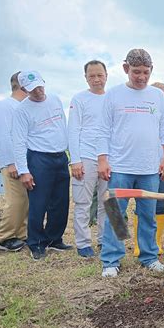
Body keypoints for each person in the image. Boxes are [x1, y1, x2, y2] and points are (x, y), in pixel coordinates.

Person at [97, 48, 164, 277]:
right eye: (136, 71)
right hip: (119, 166)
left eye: (146, 72)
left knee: (148, 215)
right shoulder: (113, 94)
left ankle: (149, 256)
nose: (141, 77)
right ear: (125, 69)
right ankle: (111, 259)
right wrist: (102, 160)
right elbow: (102, 130)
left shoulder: (157, 96)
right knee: (116, 215)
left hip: (149, 168)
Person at [13, 71, 71, 260]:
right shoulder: (22, 110)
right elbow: (18, 141)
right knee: (39, 203)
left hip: (60, 157)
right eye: (32, 89)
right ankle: (36, 243)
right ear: (23, 90)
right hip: (39, 159)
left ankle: (54, 238)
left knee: (61, 201)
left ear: (44, 82)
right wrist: (24, 171)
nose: (37, 91)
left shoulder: (54, 99)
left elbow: (62, 125)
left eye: (39, 86)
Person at [68, 60, 108, 258]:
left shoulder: (112, 98)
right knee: (83, 202)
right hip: (85, 156)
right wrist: (75, 160)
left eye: (99, 75)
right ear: (86, 78)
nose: (96, 79)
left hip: (108, 158)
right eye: (91, 76)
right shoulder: (79, 99)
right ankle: (83, 243)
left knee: (107, 202)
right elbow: (73, 130)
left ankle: (104, 240)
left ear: (106, 75)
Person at [132, 82, 164, 256]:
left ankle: (155, 243)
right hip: (143, 166)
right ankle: (137, 244)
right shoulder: (139, 116)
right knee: (141, 204)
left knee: (159, 204)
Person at [0, 72, 28, 252]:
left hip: (23, 161)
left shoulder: (21, 107)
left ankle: (20, 234)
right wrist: (10, 162)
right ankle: (4, 237)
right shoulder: (4, 107)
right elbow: (3, 137)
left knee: (24, 201)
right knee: (16, 200)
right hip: (12, 163)